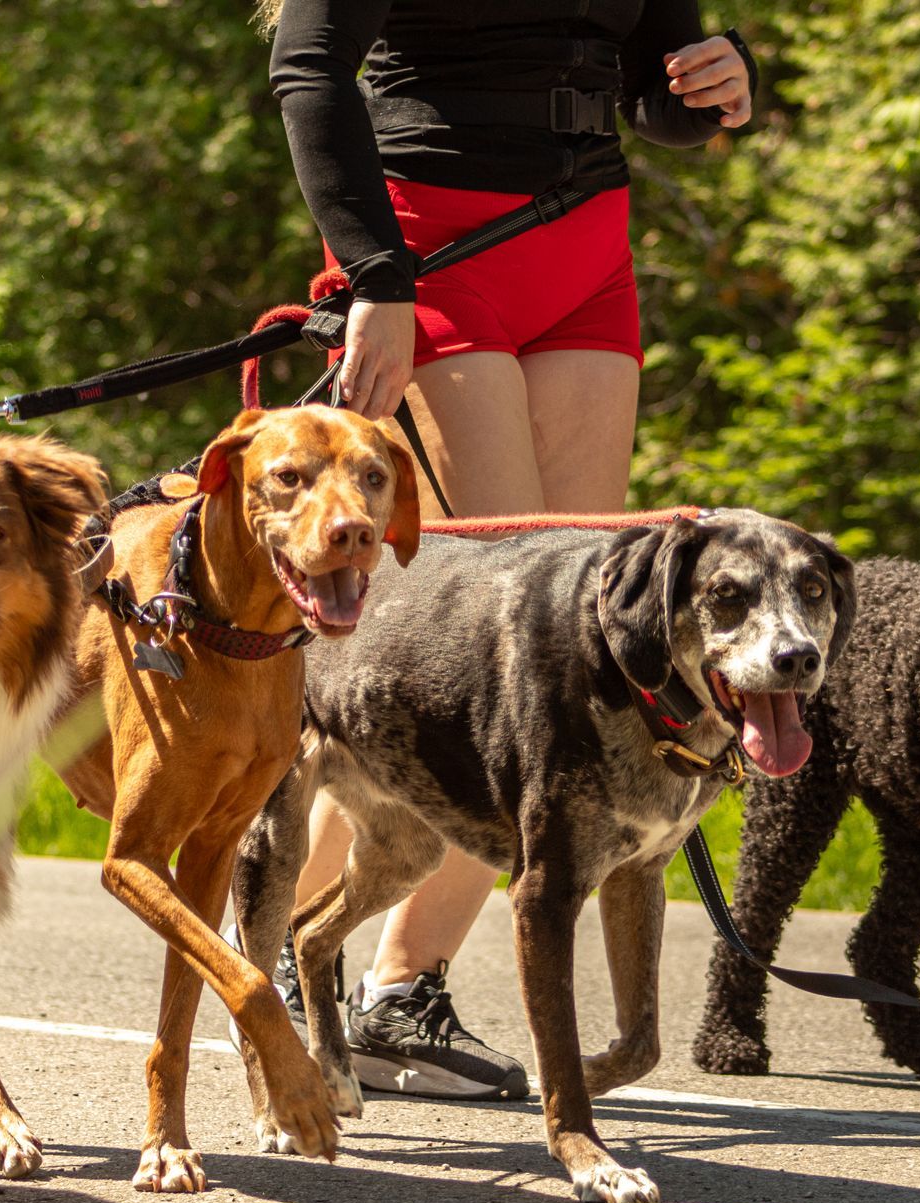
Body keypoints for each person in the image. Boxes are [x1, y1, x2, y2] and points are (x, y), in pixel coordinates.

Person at [258, 0, 757, 1100]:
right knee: (487, 649)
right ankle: (302, 950)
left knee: (573, 655)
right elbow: (308, 66)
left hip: (587, 244)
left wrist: (718, 83)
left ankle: (405, 987)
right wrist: (374, 276)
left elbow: (653, 84)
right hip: (434, 247)